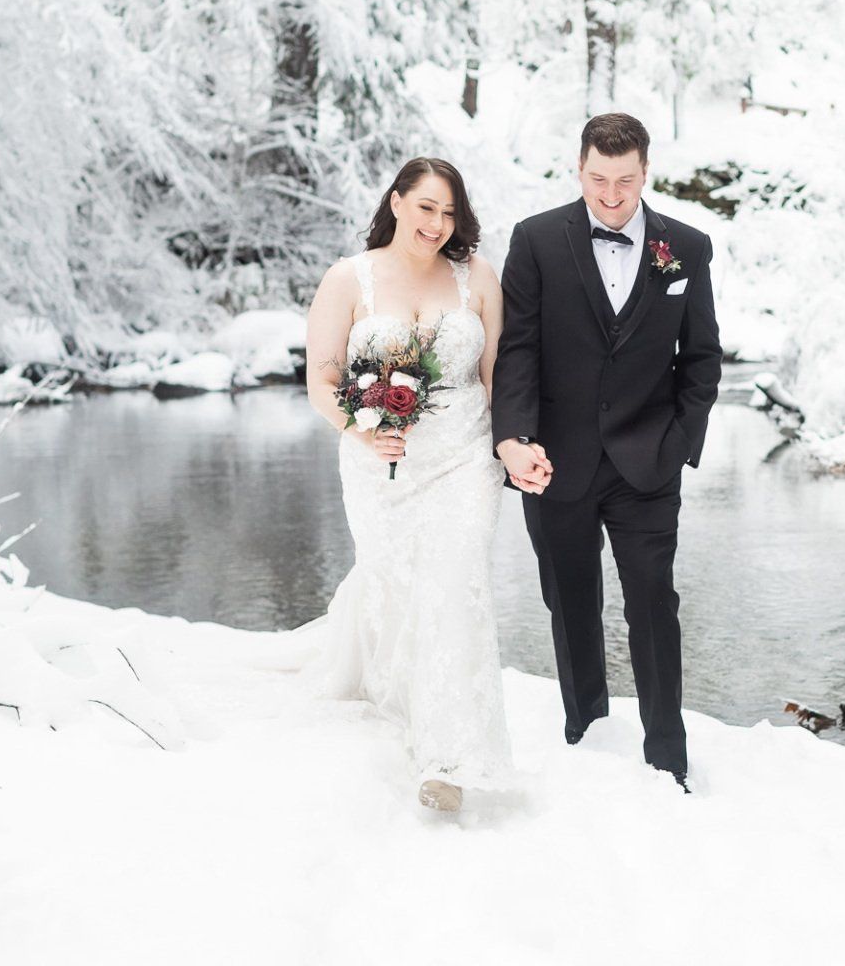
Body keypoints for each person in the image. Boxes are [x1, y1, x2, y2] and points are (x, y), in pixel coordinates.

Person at [491, 112, 722, 791]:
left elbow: (703, 358)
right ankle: (585, 733)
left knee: (654, 603)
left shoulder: (687, 247)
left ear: (646, 172)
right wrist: (515, 439)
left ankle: (668, 760)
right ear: (580, 169)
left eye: (625, 181)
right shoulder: (535, 240)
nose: (612, 196)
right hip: (554, 462)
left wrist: (678, 442)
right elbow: (518, 352)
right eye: (598, 180)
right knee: (571, 603)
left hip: (647, 464)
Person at [295, 157, 514, 813]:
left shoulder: (476, 278)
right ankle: (397, 689)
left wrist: (515, 445)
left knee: (454, 582)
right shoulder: (348, 279)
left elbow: (499, 376)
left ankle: (445, 758)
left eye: (449, 212)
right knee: (400, 586)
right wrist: (362, 427)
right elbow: (320, 381)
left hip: (466, 457)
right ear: (396, 203)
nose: (438, 224)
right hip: (379, 465)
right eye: (426, 207)